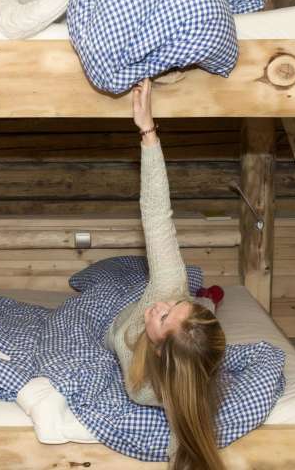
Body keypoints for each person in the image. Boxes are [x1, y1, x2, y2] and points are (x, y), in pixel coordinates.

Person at [109, 78, 228, 470]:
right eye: (175, 306)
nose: (159, 305)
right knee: (181, 285)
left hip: (137, 339)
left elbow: (187, 439)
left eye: (163, 317)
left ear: (161, 351)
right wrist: (148, 132)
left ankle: (207, 299)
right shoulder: (169, 290)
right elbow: (157, 216)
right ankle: (206, 299)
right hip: (126, 319)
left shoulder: (161, 391)